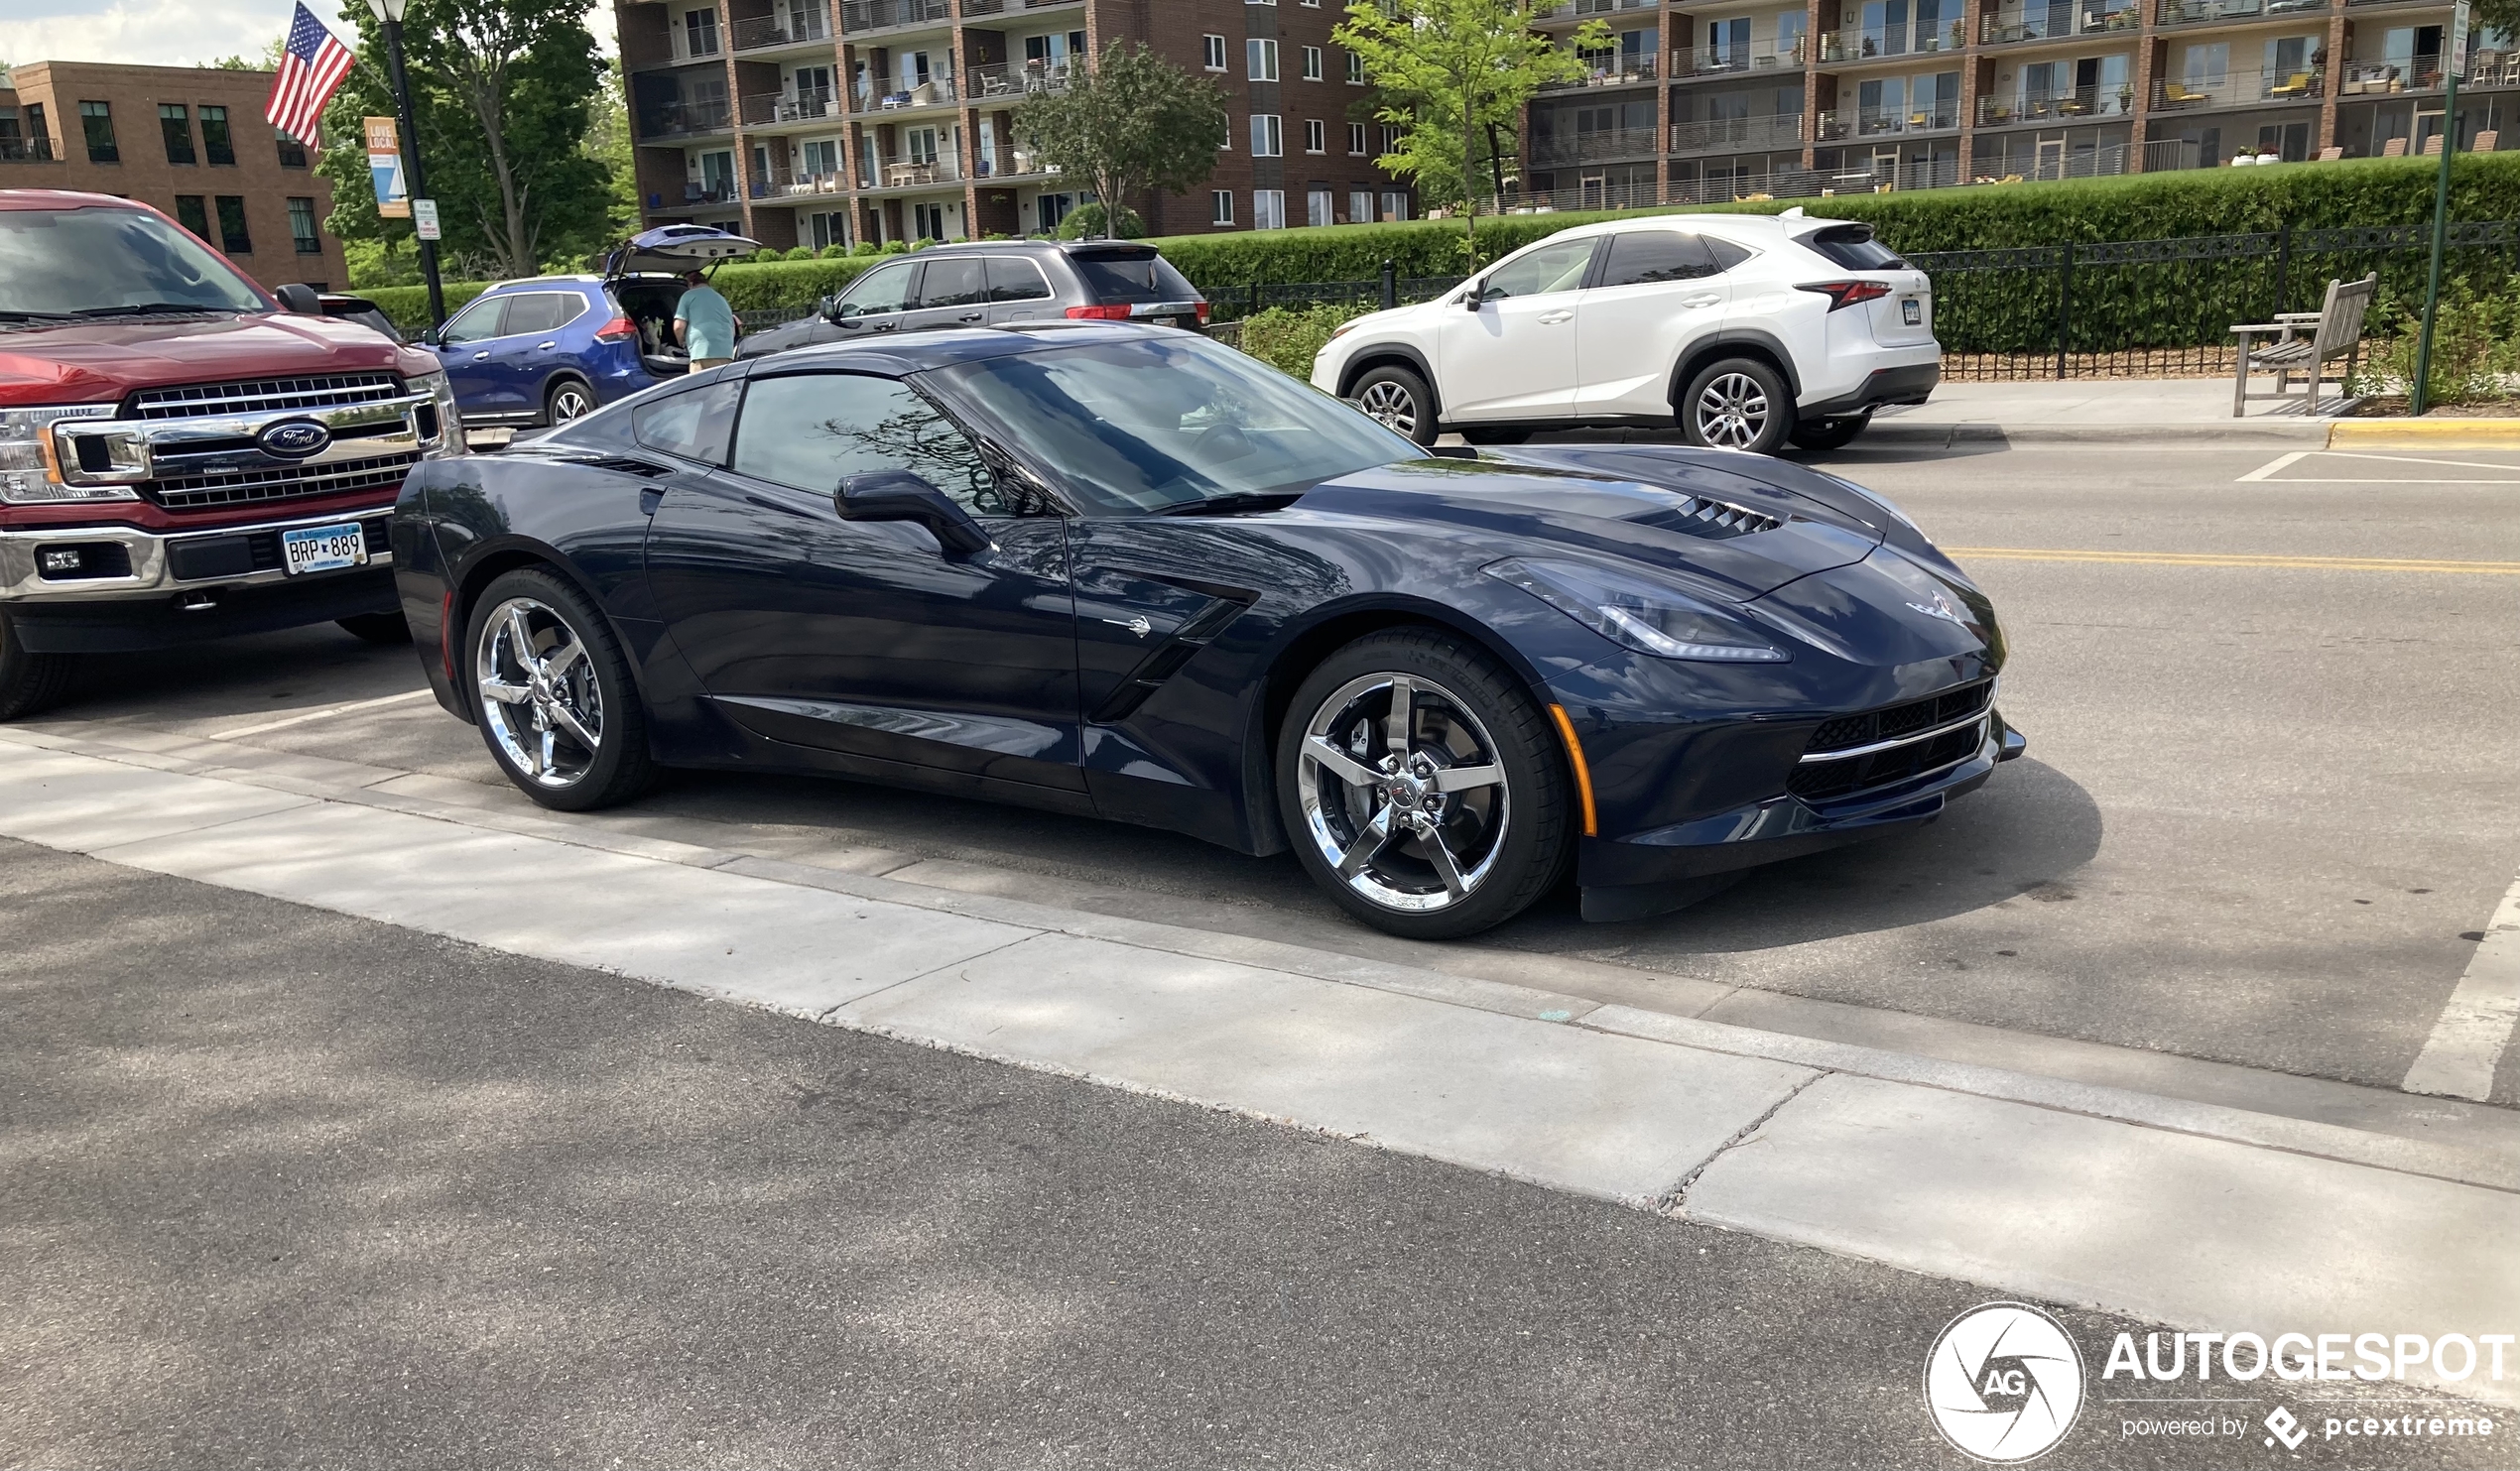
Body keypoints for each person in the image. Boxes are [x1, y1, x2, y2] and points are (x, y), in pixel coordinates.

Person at [673, 269, 737, 370]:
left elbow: (678, 327)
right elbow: (732, 330)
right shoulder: (721, 299)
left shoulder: (688, 296)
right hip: (726, 353)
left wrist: (681, 342)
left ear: (690, 284)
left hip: (701, 352)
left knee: (701, 384)